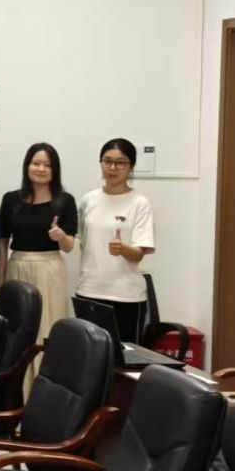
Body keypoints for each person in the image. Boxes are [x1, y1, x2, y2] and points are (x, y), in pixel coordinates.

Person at [0, 143, 78, 397]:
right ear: (27, 166)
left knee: (47, 330)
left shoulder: (64, 201)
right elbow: (2, 242)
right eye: (36, 163)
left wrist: (61, 236)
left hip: (49, 268)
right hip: (17, 266)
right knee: (16, 334)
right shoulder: (11, 199)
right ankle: (13, 398)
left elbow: (69, 246)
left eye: (47, 165)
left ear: (55, 170)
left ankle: (42, 398)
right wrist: (1, 280)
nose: (41, 169)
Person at [77, 138, 155, 342]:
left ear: (131, 167)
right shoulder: (88, 200)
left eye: (120, 162)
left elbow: (138, 255)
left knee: (124, 357)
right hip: (89, 291)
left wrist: (123, 249)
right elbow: (82, 242)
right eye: (107, 161)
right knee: (91, 356)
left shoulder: (140, 203)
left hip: (126, 296)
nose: (112, 167)